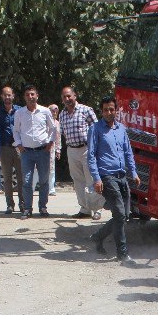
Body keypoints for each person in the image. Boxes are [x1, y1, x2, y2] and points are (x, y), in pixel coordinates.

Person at [87, 96, 140, 266]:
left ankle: (98, 237)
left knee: (123, 215)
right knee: (118, 213)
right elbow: (91, 156)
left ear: (116, 110)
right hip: (107, 177)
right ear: (101, 112)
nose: (109, 113)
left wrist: (134, 172)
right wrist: (96, 178)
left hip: (122, 176)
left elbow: (128, 152)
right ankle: (122, 253)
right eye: (105, 110)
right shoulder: (95, 129)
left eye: (112, 109)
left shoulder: (121, 129)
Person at [12, 84, 56, 218]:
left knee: (43, 180)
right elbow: (16, 131)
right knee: (26, 181)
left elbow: (53, 129)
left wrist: (50, 143)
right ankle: (27, 208)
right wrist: (19, 144)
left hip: (43, 151)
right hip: (26, 152)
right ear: (24, 97)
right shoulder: (19, 113)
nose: (30, 97)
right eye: (27, 95)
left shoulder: (45, 111)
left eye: (32, 94)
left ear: (37, 95)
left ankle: (43, 207)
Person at [59, 86, 102, 219]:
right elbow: (61, 133)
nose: (67, 99)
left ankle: (97, 209)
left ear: (75, 96)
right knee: (78, 181)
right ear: (62, 99)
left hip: (86, 149)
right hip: (71, 150)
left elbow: (96, 129)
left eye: (69, 96)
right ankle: (85, 209)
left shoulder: (86, 110)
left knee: (92, 179)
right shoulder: (62, 114)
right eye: (64, 97)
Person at [0, 86, 24, 215]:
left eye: (9, 95)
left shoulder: (20, 111)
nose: (7, 97)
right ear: (2, 96)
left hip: (19, 148)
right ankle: (10, 205)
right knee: (7, 178)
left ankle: (23, 204)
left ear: (13, 96)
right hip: (4, 148)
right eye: (5, 95)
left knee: (21, 178)